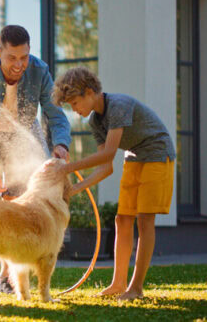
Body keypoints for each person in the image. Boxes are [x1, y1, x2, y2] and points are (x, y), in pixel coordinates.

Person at [0, 25, 71, 294]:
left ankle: (7, 282)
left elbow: (55, 114)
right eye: (12, 58)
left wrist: (60, 143)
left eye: (24, 57)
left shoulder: (39, 70)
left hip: (20, 140)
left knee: (18, 210)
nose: (19, 65)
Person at [54, 66, 176, 301]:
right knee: (122, 219)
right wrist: (76, 189)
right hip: (134, 156)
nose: (74, 110)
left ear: (89, 92)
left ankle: (136, 287)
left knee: (145, 219)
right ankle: (118, 284)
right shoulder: (95, 122)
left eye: (75, 103)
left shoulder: (118, 106)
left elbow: (108, 154)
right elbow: (106, 168)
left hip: (158, 153)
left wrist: (67, 168)